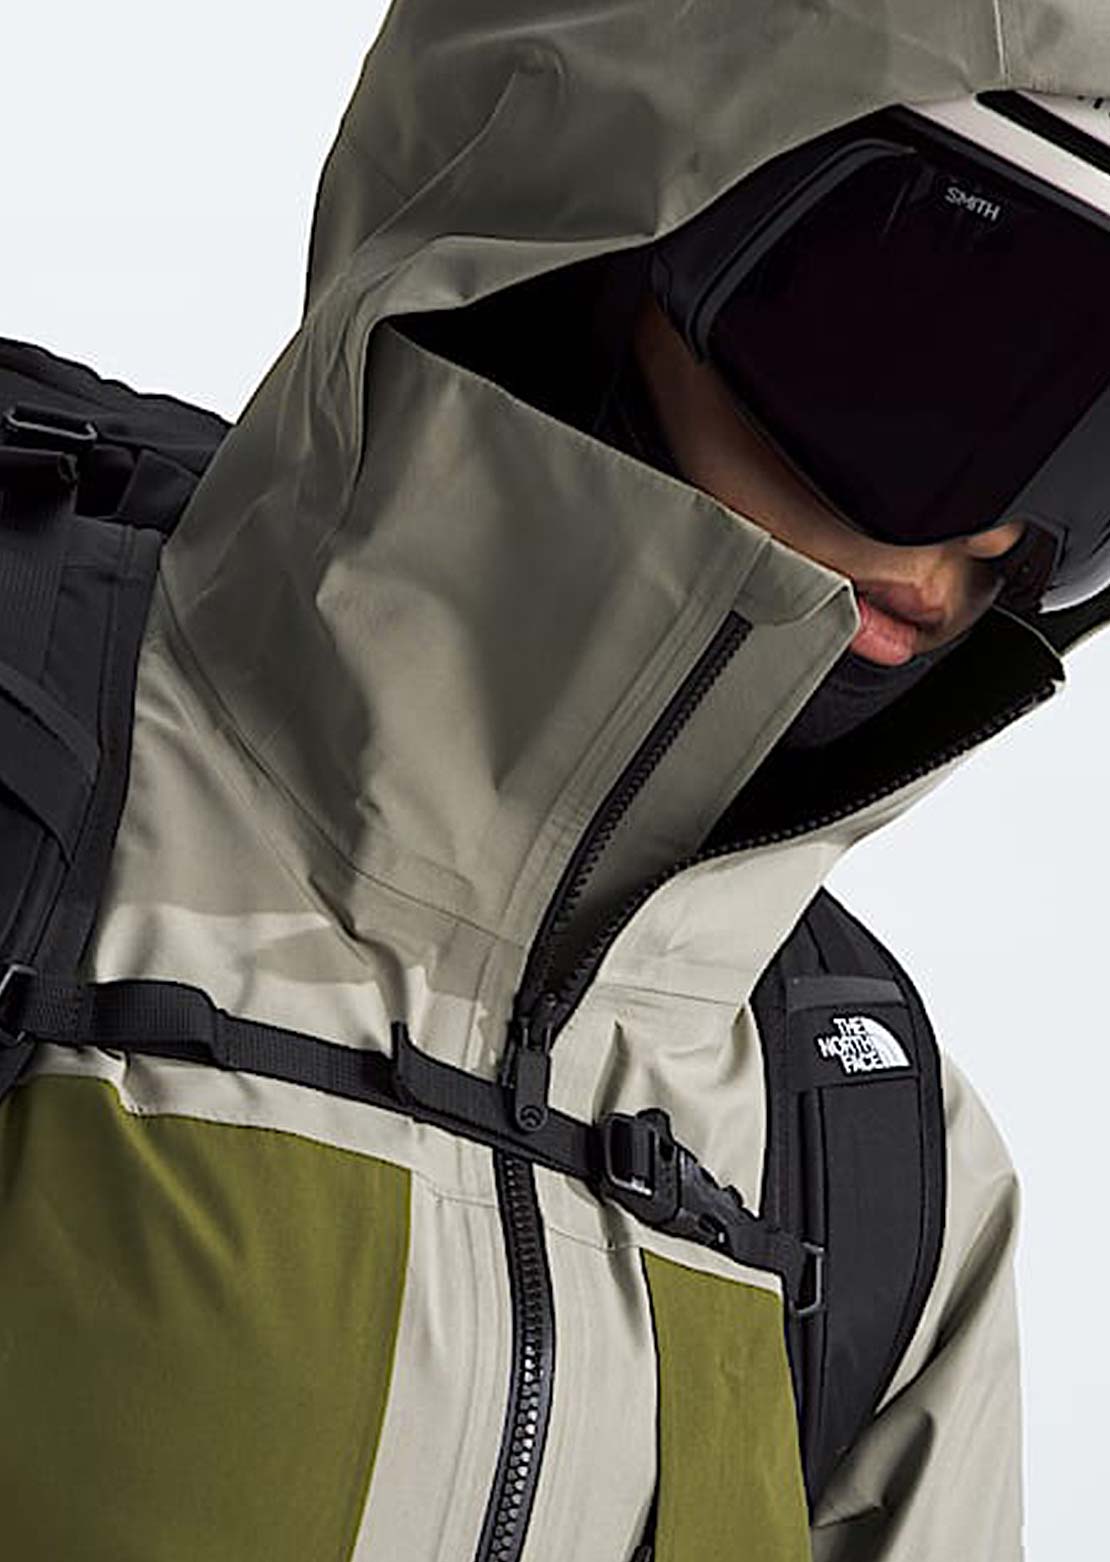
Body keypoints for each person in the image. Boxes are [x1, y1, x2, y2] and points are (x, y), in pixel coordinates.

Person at [3, 4, 1110, 1560]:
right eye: (943, 341)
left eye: (1092, 428)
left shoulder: (880, 1159)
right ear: (577, 227)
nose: (989, 531)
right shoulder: (42, 796)